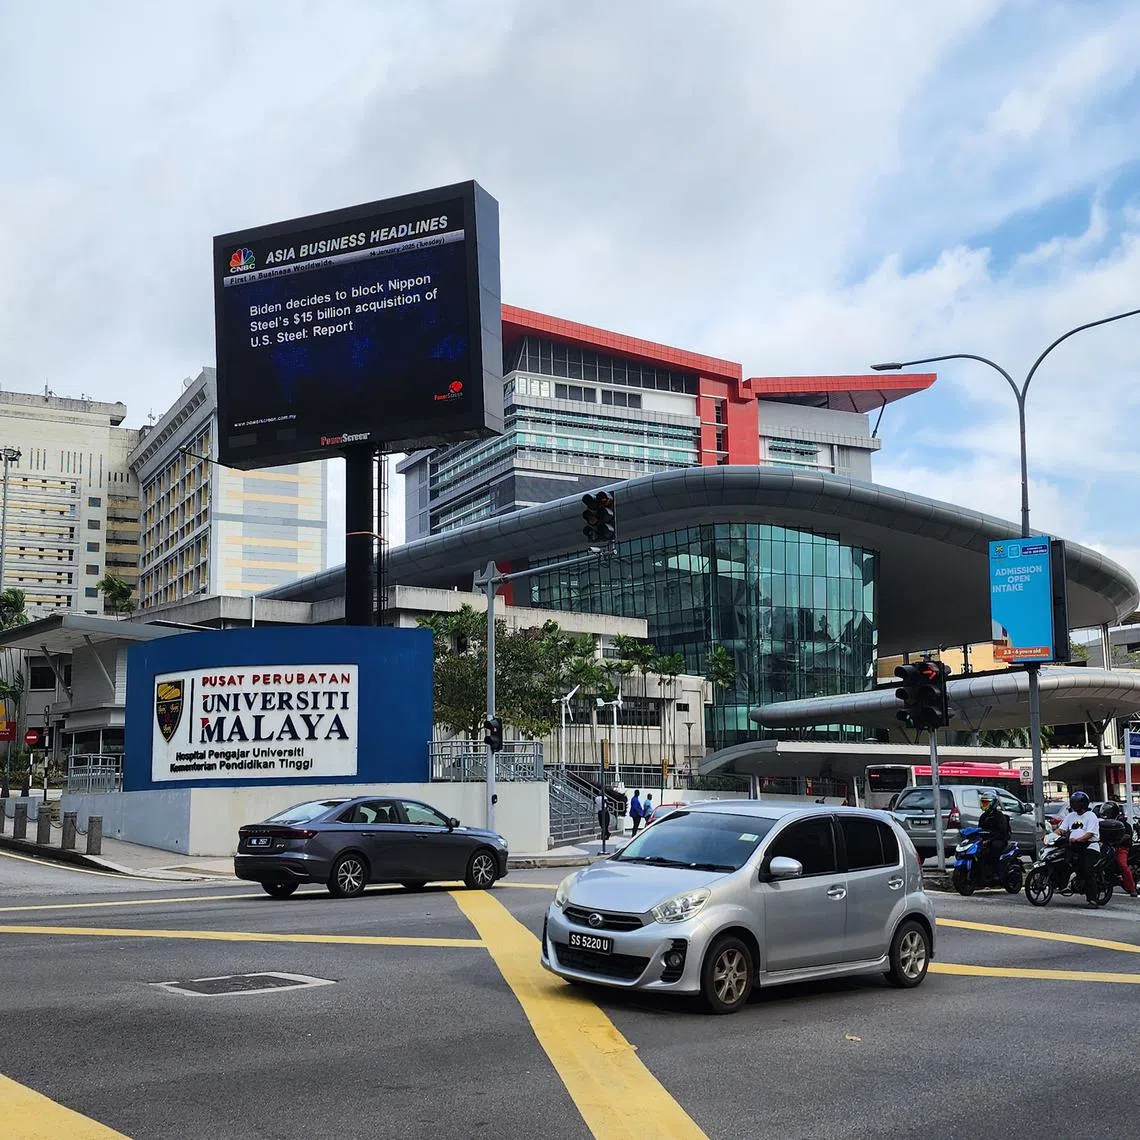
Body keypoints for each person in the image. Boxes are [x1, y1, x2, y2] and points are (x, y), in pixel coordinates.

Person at [1056, 791, 1101, 906]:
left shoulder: (1091, 816)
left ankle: (1092, 899)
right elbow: (1061, 830)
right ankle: (1063, 885)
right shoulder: (1070, 816)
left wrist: (1079, 839)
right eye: (1073, 802)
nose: (1075, 805)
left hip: (1089, 847)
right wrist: (1050, 836)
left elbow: (1090, 834)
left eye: (1078, 803)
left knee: (1087, 869)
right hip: (1074, 846)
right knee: (1062, 861)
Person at [1100, 802, 1137, 898]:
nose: (1106, 815)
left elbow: (1127, 835)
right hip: (1107, 847)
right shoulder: (1105, 823)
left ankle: (1132, 888)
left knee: (1122, 864)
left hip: (1121, 848)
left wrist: (1116, 841)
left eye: (1108, 812)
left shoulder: (1123, 823)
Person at [977, 789, 1011, 882]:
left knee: (992, 849)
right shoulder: (983, 816)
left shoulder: (999, 816)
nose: (985, 805)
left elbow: (1002, 832)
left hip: (998, 840)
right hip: (985, 840)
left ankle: (995, 873)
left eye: (987, 803)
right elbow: (979, 829)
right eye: (983, 803)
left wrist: (990, 839)